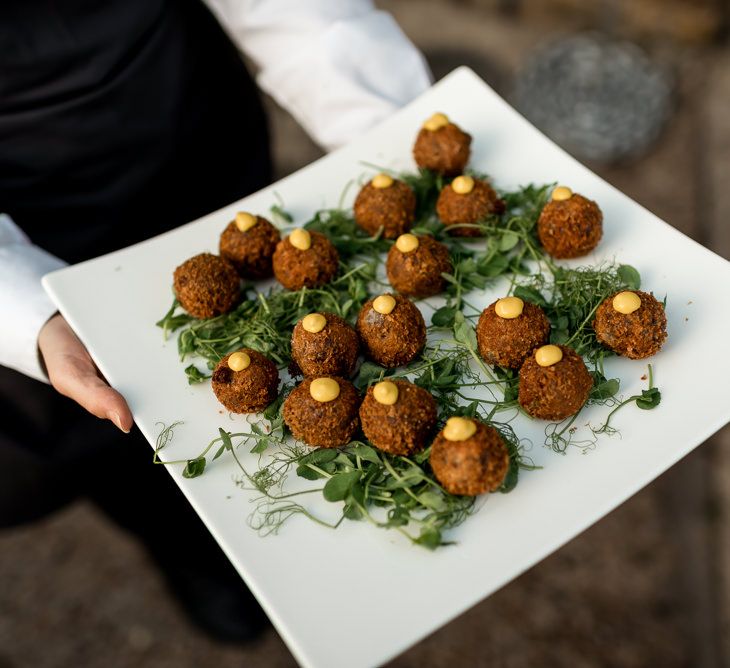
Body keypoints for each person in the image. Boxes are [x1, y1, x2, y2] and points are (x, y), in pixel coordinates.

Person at [0, 0, 431, 641]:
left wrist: (398, 134)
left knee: (263, 331)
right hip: (27, 204)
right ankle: (193, 552)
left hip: (190, 125)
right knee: (109, 427)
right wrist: (27, 310)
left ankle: (317, 550)